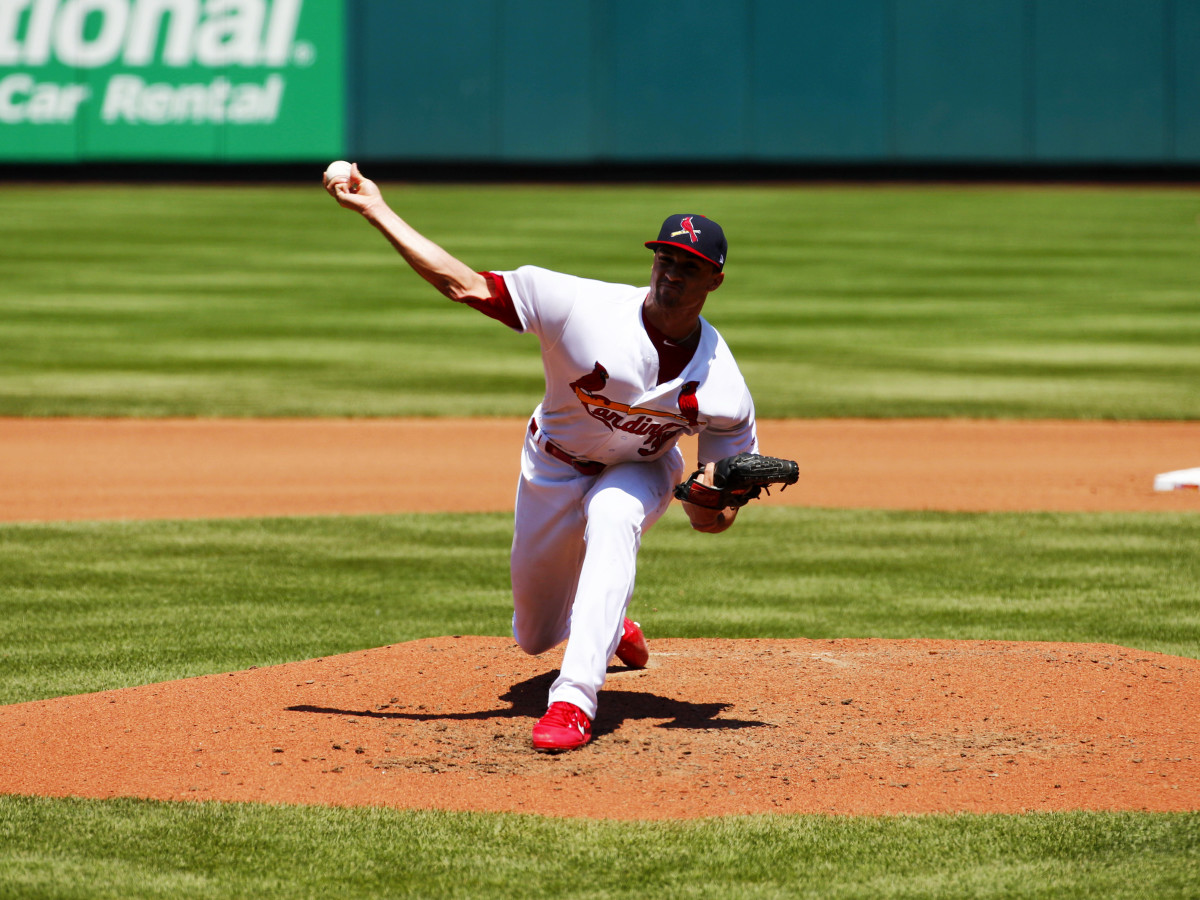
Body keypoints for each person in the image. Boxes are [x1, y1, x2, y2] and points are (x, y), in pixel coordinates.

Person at [324, 164, 758, 751]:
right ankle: (606, 627)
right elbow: (463, 284)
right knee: (532, 636)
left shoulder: (725, 387)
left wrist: (709, 500)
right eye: (667, 259)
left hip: (644, 468)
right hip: (552, 464)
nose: (673, 273)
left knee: (613, 514)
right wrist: (376, 208)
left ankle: (574, 701)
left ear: (715, 281)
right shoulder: (579, 306)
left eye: (691, 267)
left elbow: (712, 519)